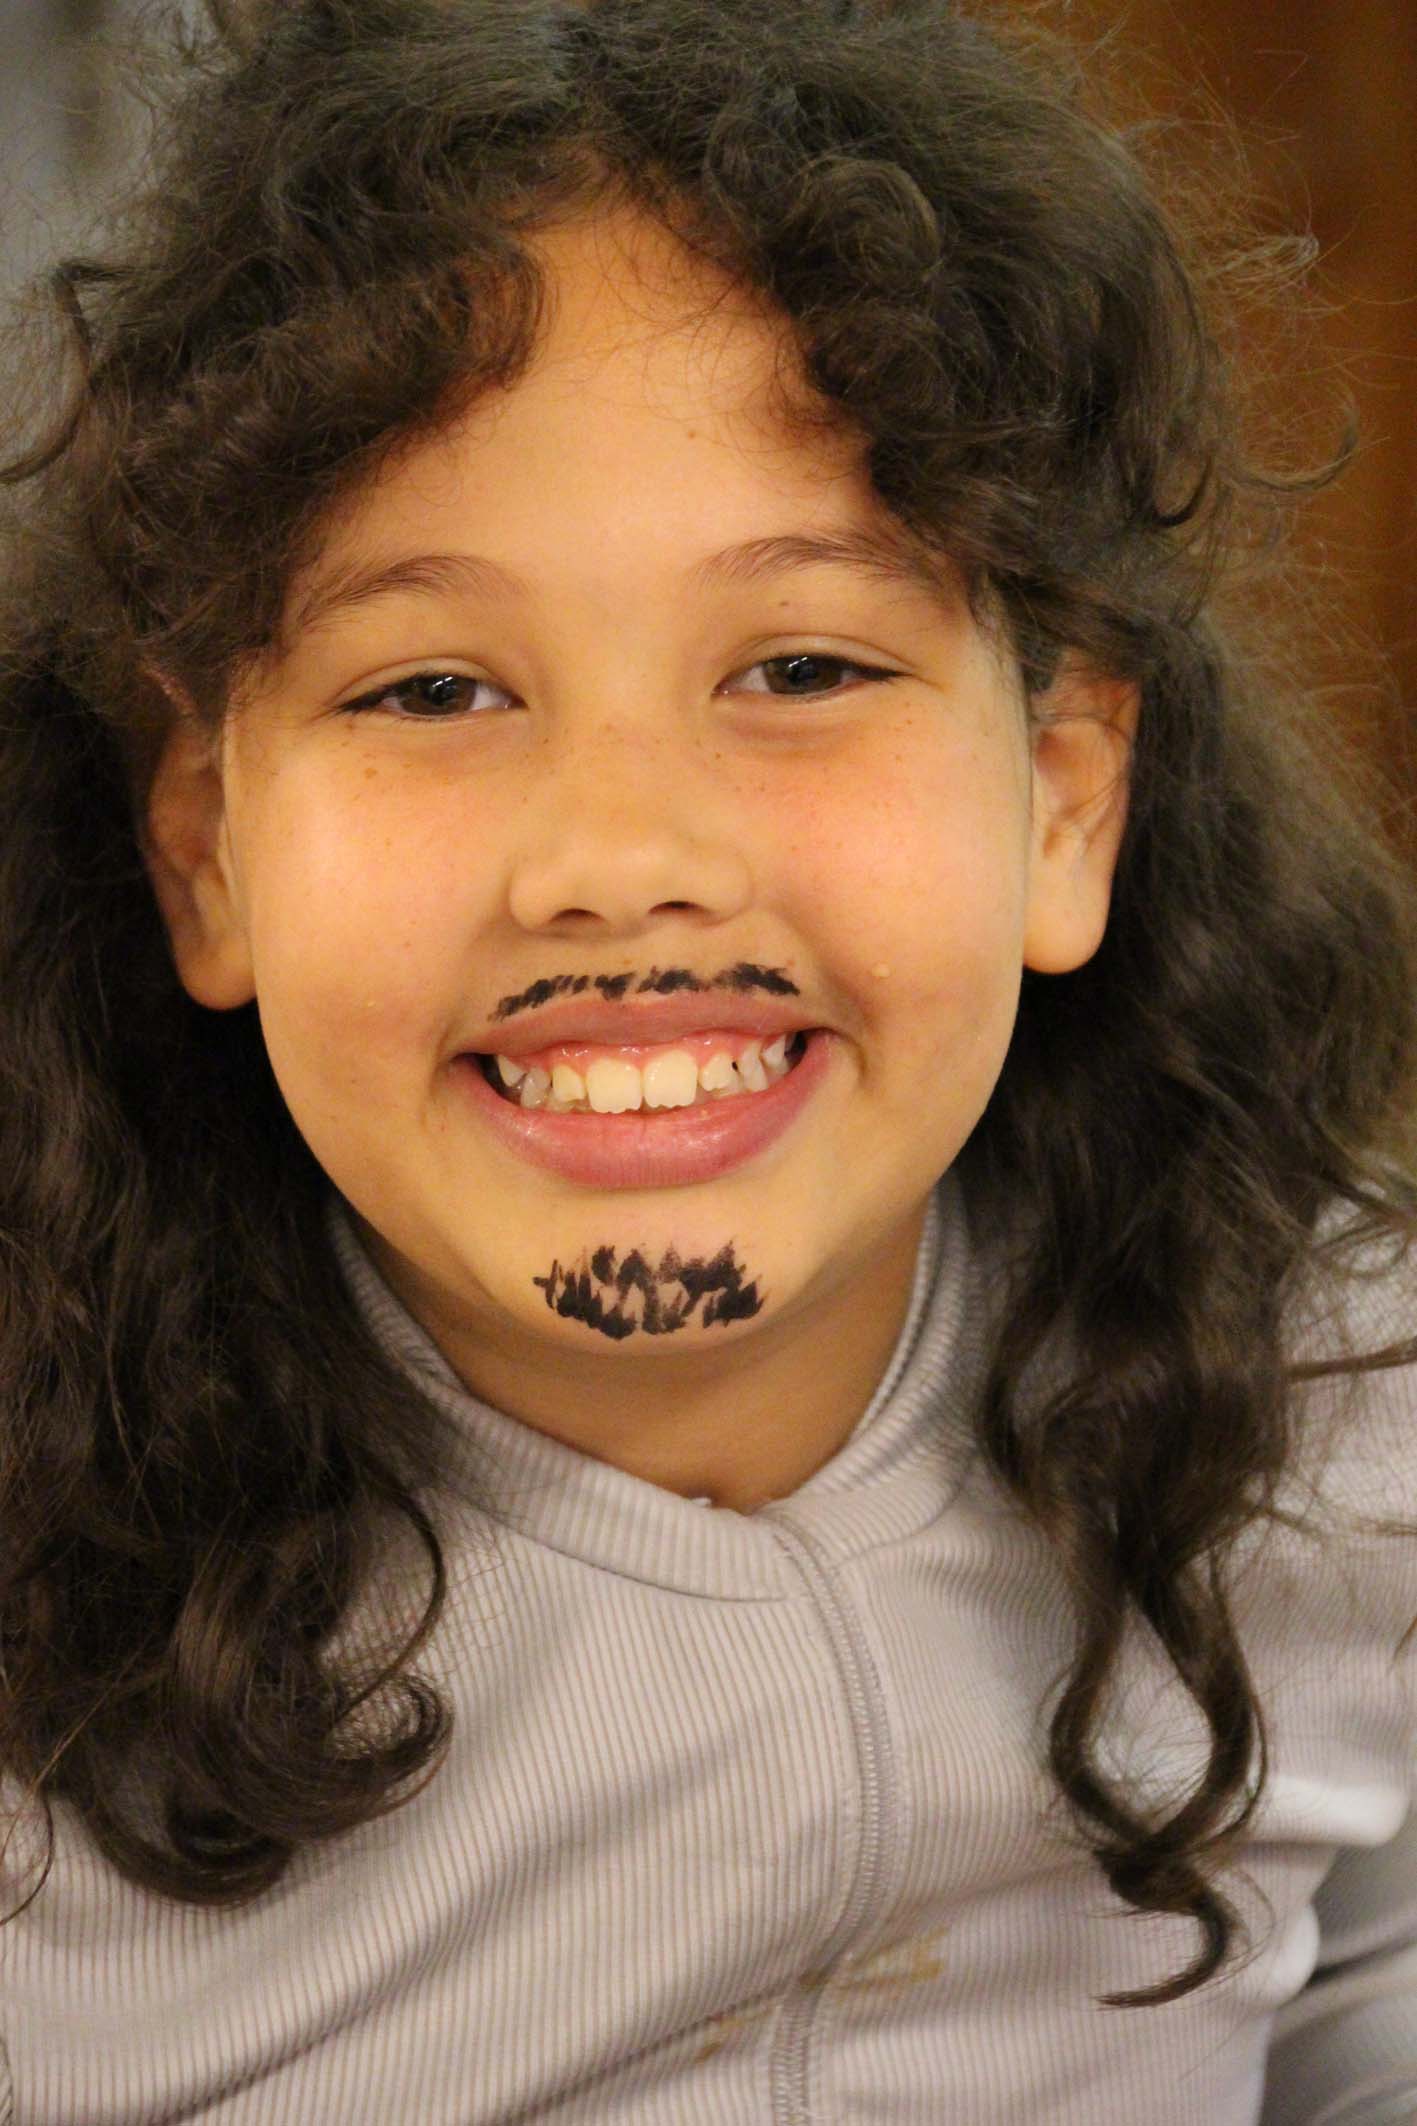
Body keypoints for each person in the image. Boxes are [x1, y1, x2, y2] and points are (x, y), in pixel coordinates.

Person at [0, 0, 1414, 2117]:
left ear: (1062, 800)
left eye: (804, 665)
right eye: (434, 689)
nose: (624, 858)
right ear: (204, 849)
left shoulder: (1338, 1395)